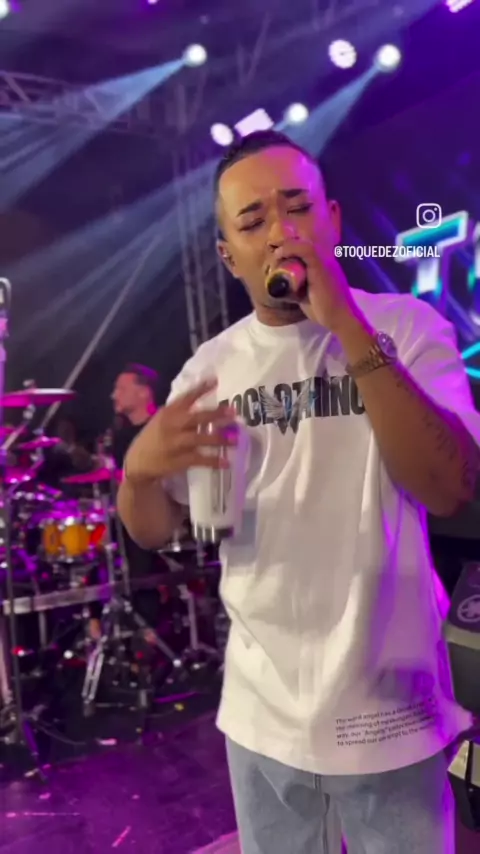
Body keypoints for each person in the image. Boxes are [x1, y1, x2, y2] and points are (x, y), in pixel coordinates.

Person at [117, 130, 480, 853]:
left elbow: (451, 488)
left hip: (391, 711)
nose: (281, 232)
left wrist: (344, 321)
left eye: (298, 208)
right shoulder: (208, 368)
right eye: (253, 221)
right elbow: (153, 531)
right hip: (263, 718)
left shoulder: (407, 329)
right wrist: (139, 471)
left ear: (333, 219)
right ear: (229, 256)